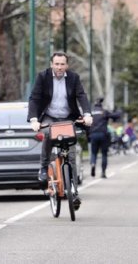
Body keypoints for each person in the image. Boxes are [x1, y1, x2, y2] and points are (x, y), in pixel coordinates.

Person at [28, 51, 93, 210]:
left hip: (67, 117)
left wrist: (87, 114)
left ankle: (74, 192)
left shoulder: (73, 78)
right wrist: (34, 119)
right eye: (56, 64)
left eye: (62, 64)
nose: (59, 67)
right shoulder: (42, 77)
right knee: (49, 134)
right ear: (51, 64)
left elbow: (81, 96)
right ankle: (44, 168)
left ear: (67, 65)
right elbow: (34, 98)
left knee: (71, 153)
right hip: (49, 116)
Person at [89, 97, 121, 178]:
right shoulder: (104, 111)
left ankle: (93, 164)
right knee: (104, 154)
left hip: (93, 134)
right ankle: (103, 172)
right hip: (103, 135)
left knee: (94, 153)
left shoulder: (91, 112)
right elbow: (115, 116)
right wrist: (118, 110)